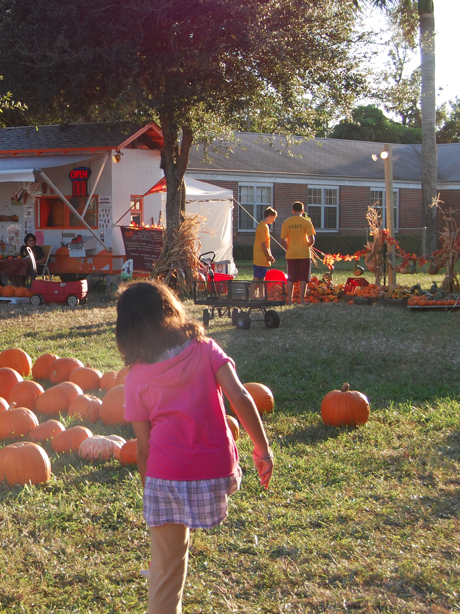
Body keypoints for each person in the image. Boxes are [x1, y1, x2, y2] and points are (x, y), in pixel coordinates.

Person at [117, 281, 272, 614]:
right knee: (172, 548)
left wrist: (150, 488)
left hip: (166, 477)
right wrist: (262, 449)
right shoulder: (206, 349)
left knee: (167, 569)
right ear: (171, 311)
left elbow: (143, 449)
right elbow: (241, 397)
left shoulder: (135, 379)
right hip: (213, 474)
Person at [280, 201, 315, 305]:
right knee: (303, 277)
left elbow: (282, 240)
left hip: (291, 253)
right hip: (304, 253)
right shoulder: (306, 222)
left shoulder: (286, 222)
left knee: (291, 277)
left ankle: (289, 300)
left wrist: (288, 249)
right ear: (303, 211)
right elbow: (312, 239)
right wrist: (307, 245)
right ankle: (302, 300)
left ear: (293, 210)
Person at [252, 207, 277, 297]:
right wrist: (269, 256)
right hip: (260, 256)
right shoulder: (262, 227)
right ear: (269, 215)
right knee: (257, 277)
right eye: (273, 218)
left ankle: (261, 296)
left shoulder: (265, 226)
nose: (274, 220)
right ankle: (251, 295)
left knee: (262, 278)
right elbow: (263, 244)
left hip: (262, 257)